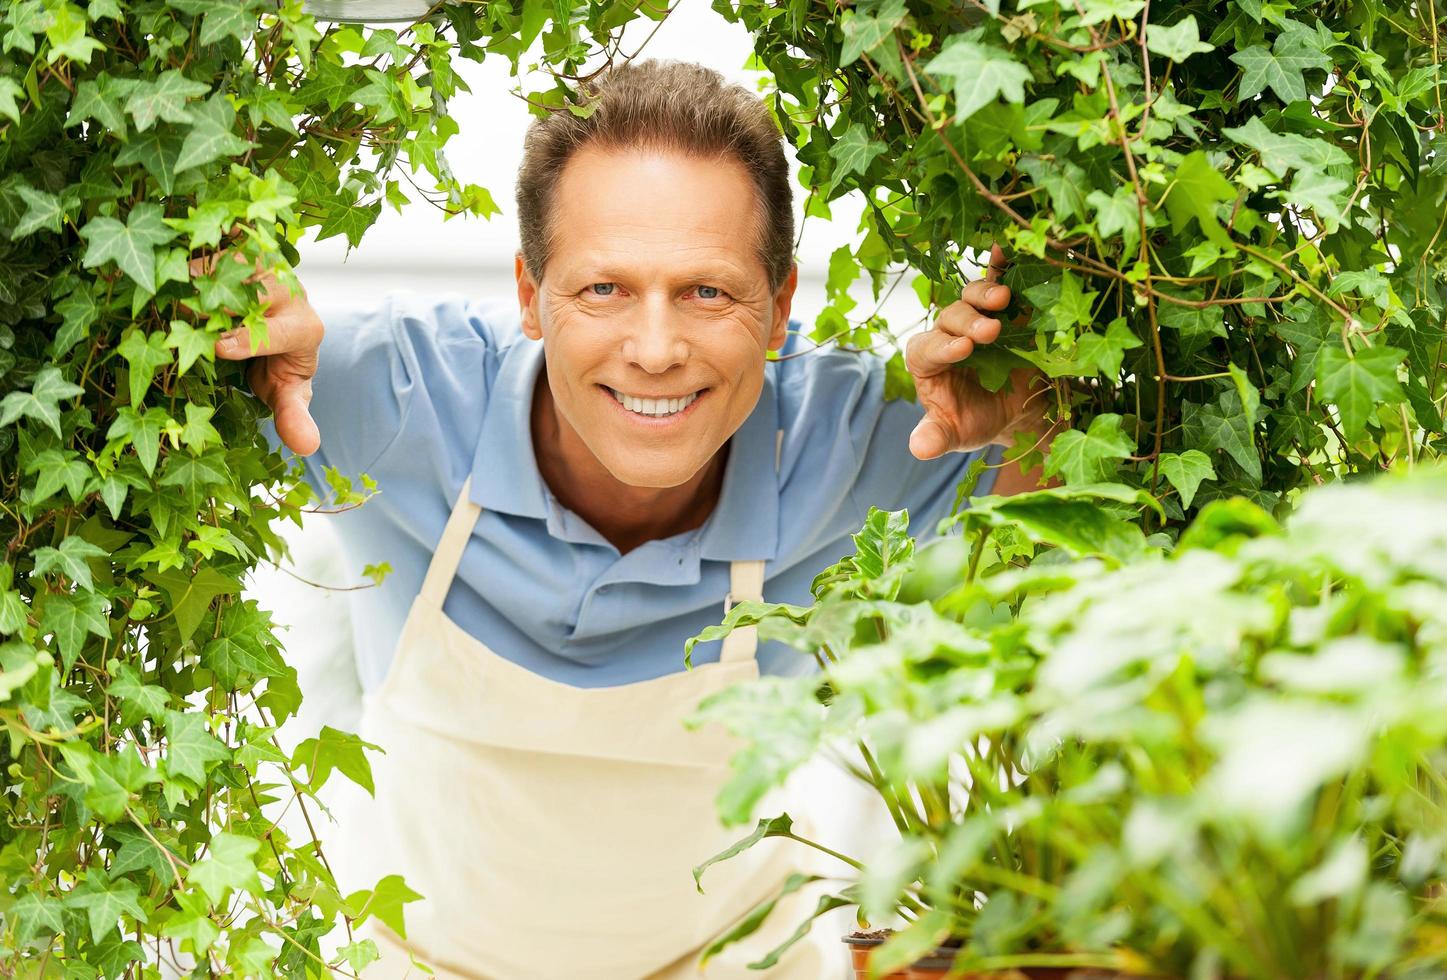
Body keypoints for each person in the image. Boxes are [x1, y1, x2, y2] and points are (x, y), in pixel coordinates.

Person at [212, 59, 1048, 979]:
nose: (655, 351)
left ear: (777, 310)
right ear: (529, 297)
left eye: (707, 292)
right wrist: (225, 334)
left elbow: (1083, 537)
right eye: (604, 289)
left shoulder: (862, 436)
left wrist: (1032, 412)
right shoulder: (384, 403)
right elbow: (183, 380)